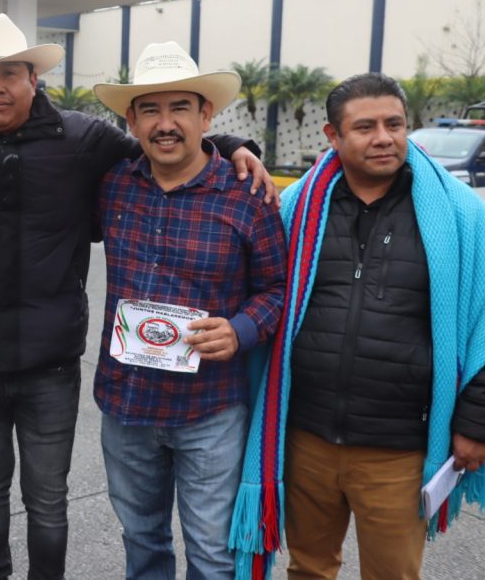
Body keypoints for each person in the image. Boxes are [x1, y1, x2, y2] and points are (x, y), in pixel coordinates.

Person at [0, 13, 275, 580]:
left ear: (33, 79)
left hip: (102, 377)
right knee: (10, 497)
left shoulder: (91, 143)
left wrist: (234, 146)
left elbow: (166, 148)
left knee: (73, 507)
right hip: (17, 372)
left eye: (9, 73)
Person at [230, 73, 485, 580]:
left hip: (398, 452)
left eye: (394, 124)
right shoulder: (295, 209)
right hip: (306, 439)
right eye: (365, 127)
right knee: (308, 569)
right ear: (333, 136)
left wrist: (480, 425)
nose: (384, 137)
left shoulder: (461, 216)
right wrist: (230, 145)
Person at [89, 42, 287, 579]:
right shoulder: (112, 185)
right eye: (150, 110)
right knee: (142, 543)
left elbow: (277, 287)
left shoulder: (247, 195)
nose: (165, 124)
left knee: (213, 556)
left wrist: (241, 330)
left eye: (180, 108)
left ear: (207, 115)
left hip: (210, 410)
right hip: (126, 404)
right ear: (132, 121)